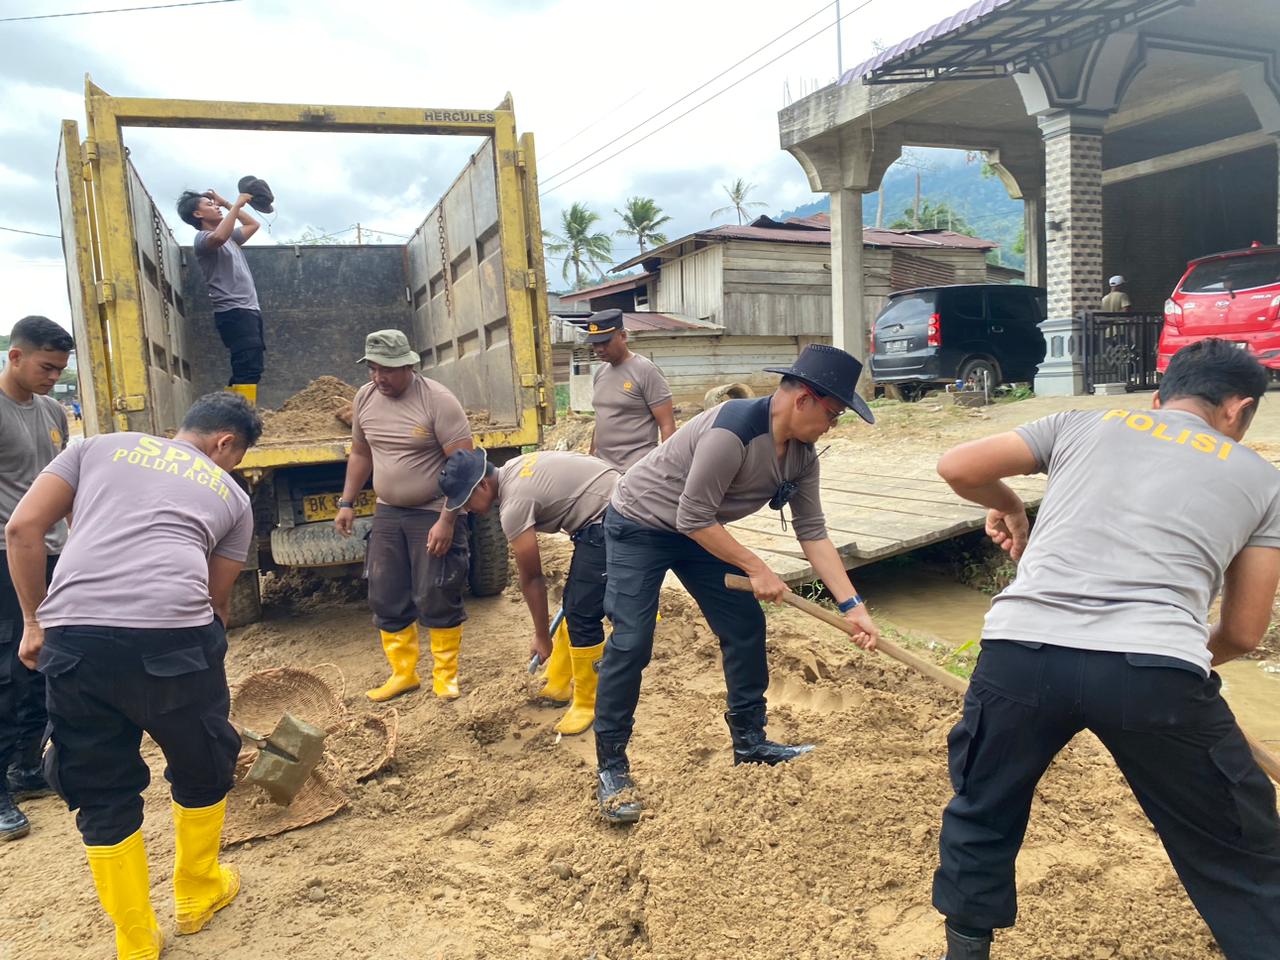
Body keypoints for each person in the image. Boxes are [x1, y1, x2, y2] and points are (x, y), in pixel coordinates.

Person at [929, 338, 1280, 960]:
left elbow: (958, 467)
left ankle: (967, 949)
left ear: (1158, 399)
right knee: (1238, 837)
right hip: (1153, 672)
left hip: (1020, 654)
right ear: (1238, 409)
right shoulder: (1263, 479)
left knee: (983, 809)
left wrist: (1009, 506)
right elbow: (1244, 631)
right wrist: (1178, 663)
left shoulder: (1081, 422)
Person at [5, 392, 261, 960]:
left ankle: (136, 937)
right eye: (235, 456)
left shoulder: (94, 448)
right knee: (203, 759)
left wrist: (34, 622)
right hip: (173, 641)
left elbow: (22, 529)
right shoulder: (233, 496)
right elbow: (217, 600)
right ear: (225, 443)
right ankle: (197, 893)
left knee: (98, 784)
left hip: (75, 640)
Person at [592, 343, 881, 822]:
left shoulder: (803, 456)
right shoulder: (733, 431)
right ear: (803, 400)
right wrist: (757, 567)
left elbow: (813, 532)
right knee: (633, 639)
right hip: (640, 522)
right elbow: (692, 515)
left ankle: (750, 743)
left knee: (745, 626)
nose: (833, 426)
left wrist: (854, 607)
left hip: (697, 531)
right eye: (833, 414)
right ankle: (611, 766)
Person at [336, 329, 474, 703]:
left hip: (432, 511)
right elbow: (361, 453)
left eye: (387, 370)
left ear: (409, 366)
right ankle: (403, 674)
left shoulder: (438, 401)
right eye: (373, 369)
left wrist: (447, 520)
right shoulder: (365, 397)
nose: (379, 377)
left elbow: (464, 466)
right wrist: (347, 502)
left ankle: (445, 676)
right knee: (385, 592)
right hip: (387, 511)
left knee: (437, 591)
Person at [440, 448, 619, 734]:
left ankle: (589, 703)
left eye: (466, 501)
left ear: (482, 485)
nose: (466, 509)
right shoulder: (513, 468)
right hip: (610, 504)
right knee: (574, 601)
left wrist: (541, 636)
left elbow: (533, 578)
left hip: (614, 516)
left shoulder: (514, 505)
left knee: (582, 613)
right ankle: (559, 683)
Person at [0, 315, 72, 841]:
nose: (53, 378)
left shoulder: (52, 411)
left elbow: (62, 484)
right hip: (6, 558)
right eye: (46, 367)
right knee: (7, 670)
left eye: (60, 369)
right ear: (15, 356)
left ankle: (25, 766)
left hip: (52, 554)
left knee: (41, 667)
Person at [177, 188, 263, 405]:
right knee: (248, 367)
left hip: (248, 310)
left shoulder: (231, 239)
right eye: (209, 205)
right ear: (197, 214)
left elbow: (253, 224)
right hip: (234, 312)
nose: (215, 206)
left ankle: (232, 412)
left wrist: (225, 202)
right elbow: (219, 236)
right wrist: (237, 205)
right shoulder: (203, 238)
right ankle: (240, 415)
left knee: (248, 366)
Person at [584, 308, 676, 472]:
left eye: (605, 342)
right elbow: (601, 421)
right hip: (604, 470)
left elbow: (667, 424)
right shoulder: (600, 373)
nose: (599, 349)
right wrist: (591, 461)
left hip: (636, 470)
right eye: (595, 343)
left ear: (623, 336)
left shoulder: (645, 371)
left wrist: (667, 468)